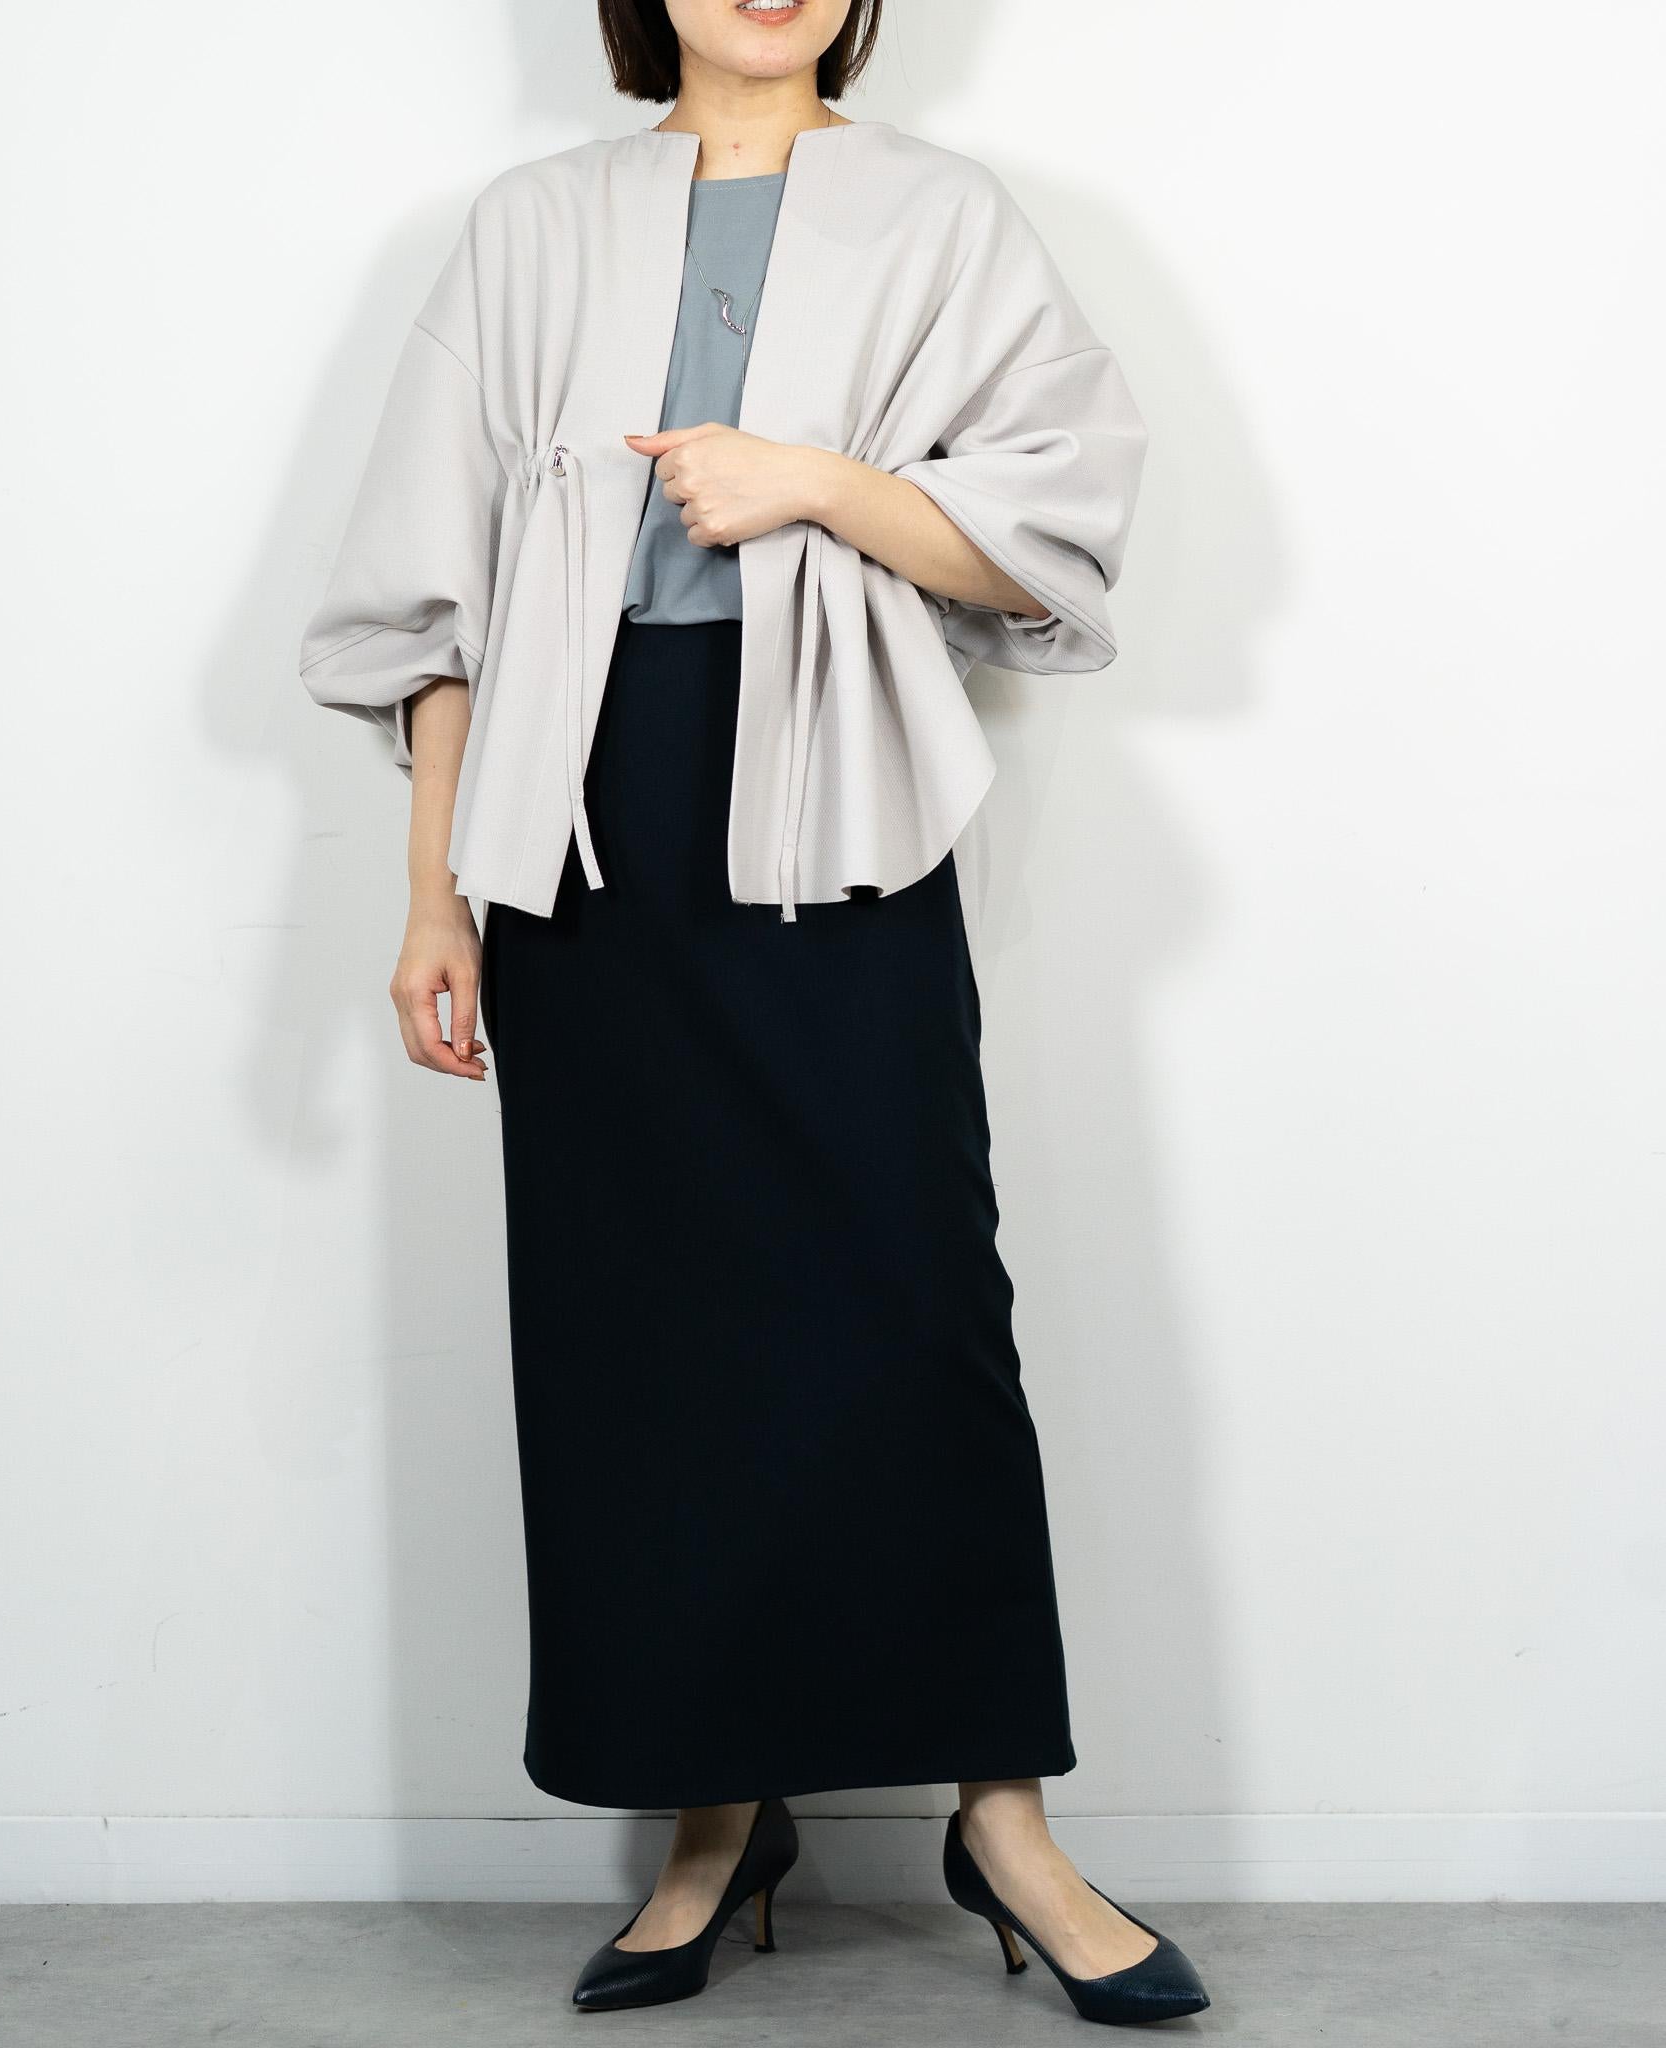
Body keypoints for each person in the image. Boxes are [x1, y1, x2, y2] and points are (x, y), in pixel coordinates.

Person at [299, 0, 1209, 2021]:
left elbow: (1052, 540)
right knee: (637, 1326)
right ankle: (717, 1819)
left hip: (839, 785)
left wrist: (816, 484)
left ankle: (1003, 1818)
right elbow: (437, 592)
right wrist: (434, 890)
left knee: (918, 1303)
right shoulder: (531, 227)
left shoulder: (946, 218)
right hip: (583, 816)